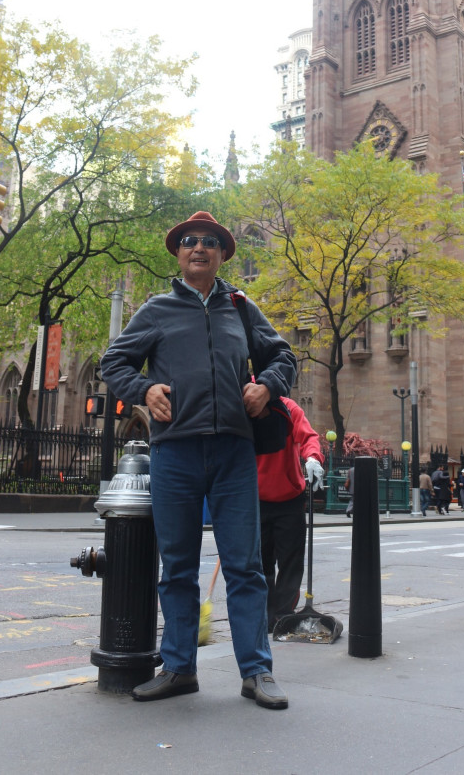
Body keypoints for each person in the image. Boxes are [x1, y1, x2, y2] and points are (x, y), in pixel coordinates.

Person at [101, 211, 297, 710]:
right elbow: (113, 362)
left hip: (234, 452)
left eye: (210, 241)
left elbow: (284, 357)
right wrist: (144, 389)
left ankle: (257, 671)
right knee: (178, 568)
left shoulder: (241, 307)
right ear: (178, 253)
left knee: (246, 567)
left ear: (222, 254)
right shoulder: (157, 309)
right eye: (190, 240)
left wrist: (266, 386)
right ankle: (179, 668)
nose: (199, 247)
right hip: (175, 452)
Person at [256, 398, 324, 633]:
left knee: (290, 563)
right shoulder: (242, 404)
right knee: (260, 563)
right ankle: (266, 615)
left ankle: (283, 615)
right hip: (255, 499)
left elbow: (308, 437)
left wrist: (313, 457)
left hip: (289, 499)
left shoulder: (288, 407)